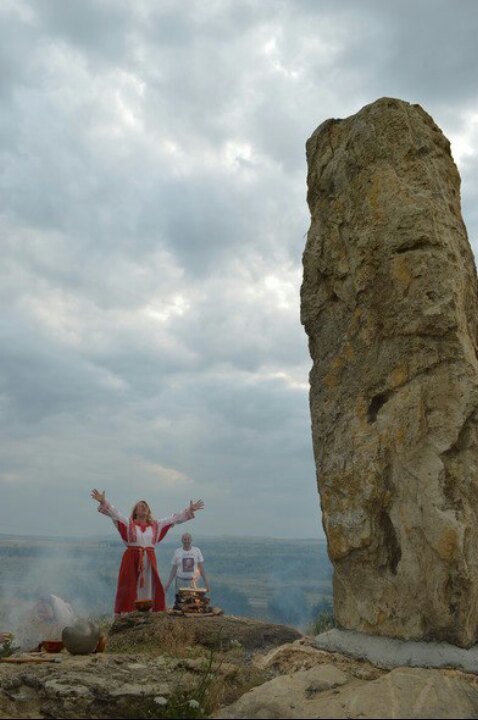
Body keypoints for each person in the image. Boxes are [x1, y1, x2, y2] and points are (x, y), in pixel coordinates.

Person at [91, 490, 205, 615]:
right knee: (129, 587)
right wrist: (103, 501)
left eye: (145, 506)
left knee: (149, 587)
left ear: (149, 511)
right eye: (140, 506)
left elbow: (174, 518)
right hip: (131, 559)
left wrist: (189, 510)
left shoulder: (156, 526)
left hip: (149, 560)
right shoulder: (128, 523)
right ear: (135, 512)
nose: (143, 507)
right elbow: (115, 513)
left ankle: (149, 613)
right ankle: (128, 614)